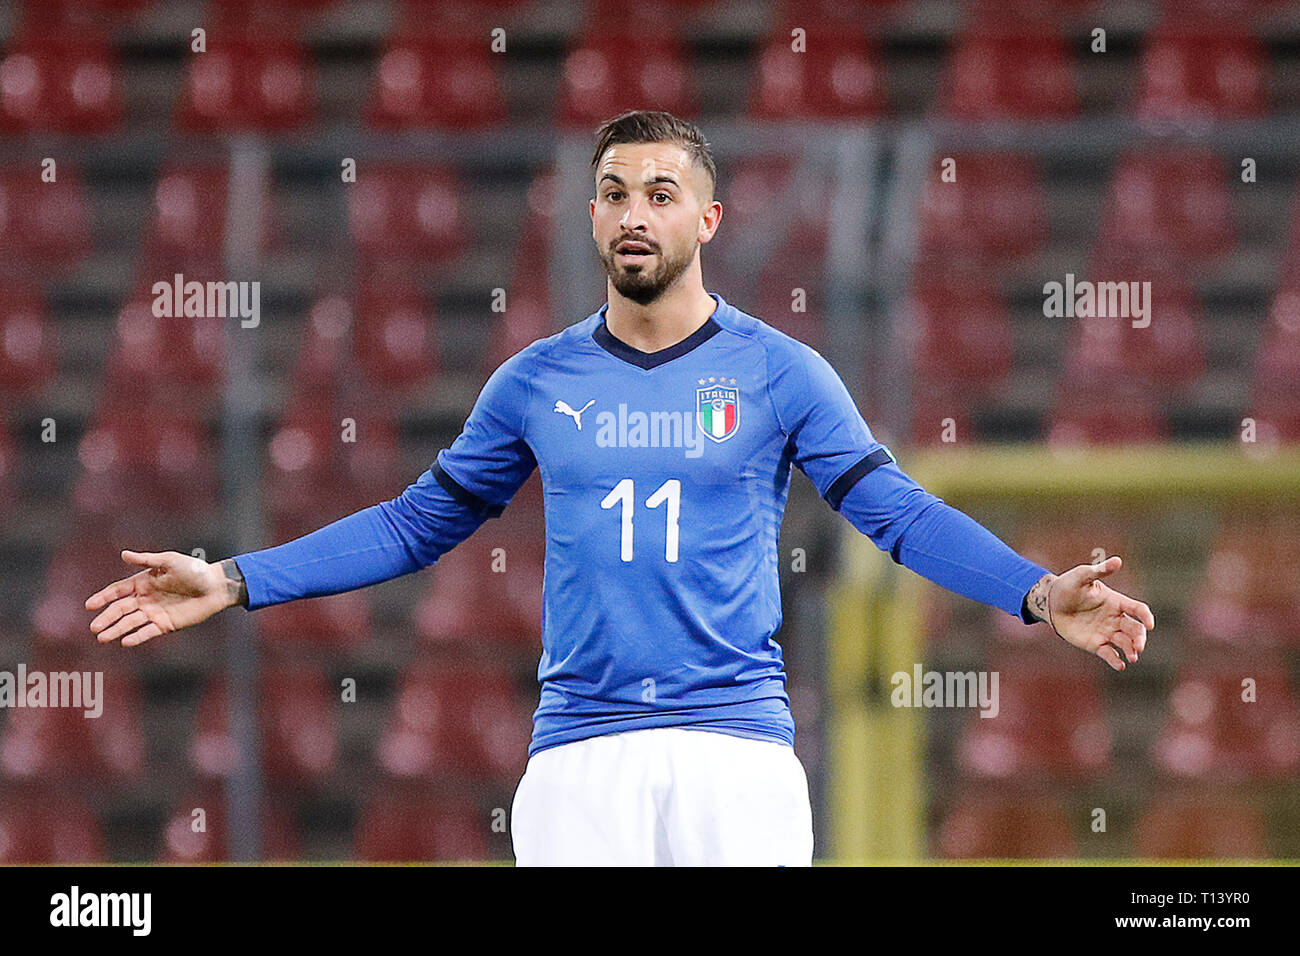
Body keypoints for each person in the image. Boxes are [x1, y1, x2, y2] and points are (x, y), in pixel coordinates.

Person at [85, 109, 1155, 866]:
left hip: (736, 753)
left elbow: (895, 510)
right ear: (590, 219)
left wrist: (1033, 591)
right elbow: (417, 525)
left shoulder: (781, 372)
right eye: (611, 193)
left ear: (708, 221)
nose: (632, 212)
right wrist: (234, 576)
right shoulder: (534, 380)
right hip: (578, 757)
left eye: (658, 192)